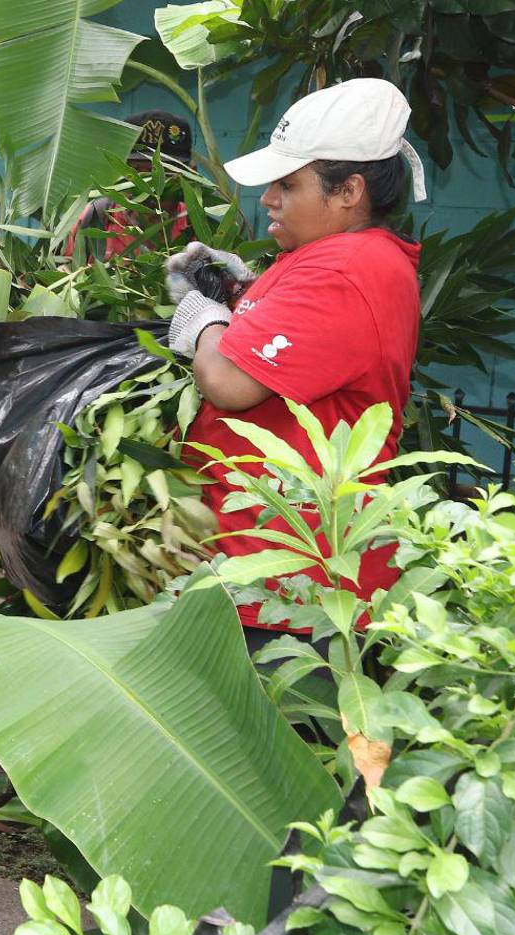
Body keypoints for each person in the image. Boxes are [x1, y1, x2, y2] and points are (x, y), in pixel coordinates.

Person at [166, 77, 428, 645]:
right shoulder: (323, 256)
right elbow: (287, 333)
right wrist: (235, 290)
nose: (269, 200)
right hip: (261, 570)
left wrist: (202, 319)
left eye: (288, 184)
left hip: (293, 591)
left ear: (348, 191)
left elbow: (230, 382)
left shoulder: (346, 271)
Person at [65, 110, 193, 262]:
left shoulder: (197, 229)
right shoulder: (93, 219)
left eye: (159, 172)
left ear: (186, 173)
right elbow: (63, 272)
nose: (147, 184)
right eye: (137, 170)